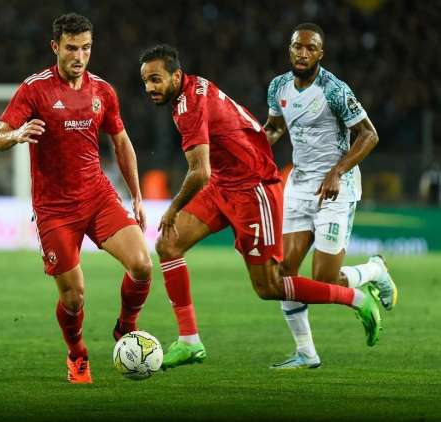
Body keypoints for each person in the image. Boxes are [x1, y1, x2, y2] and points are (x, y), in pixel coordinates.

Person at [138, 44, 385, 370]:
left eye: (155, 79)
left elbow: (199, 172)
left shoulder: (189, 106)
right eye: (146, 81)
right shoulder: (191, 89)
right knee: (168, 244)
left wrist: (172, 209)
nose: (149, 88)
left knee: (270, 287)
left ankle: (356, 298)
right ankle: (189, 341)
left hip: (253, 189)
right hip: (224, 185)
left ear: (176, 76)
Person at [0, 13, 152, 384]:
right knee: (74, 298)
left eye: (86, 48)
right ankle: (77, 353)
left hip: (98, 196)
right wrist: (16, 135)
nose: (79, 56)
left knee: (142, 264)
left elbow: (121, 142)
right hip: (55, 209)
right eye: (72, 48)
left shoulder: (103, 91)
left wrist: (137, 196)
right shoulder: (34, 89)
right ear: (55, 47)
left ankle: (126, 328)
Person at [264, 23, 397, 369]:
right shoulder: (278, 87)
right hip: (299, 186)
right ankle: (306, 352)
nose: (302, 53)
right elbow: (275, 127)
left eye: (310, 48)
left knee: (323, 280)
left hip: (336, 188)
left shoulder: (334, 90)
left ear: (320, 54)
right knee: (284, 275)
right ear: (290, 49)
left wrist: (337, 171)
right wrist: (253, 148)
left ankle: (375, 270)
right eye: (297, 47)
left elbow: (369, 135)